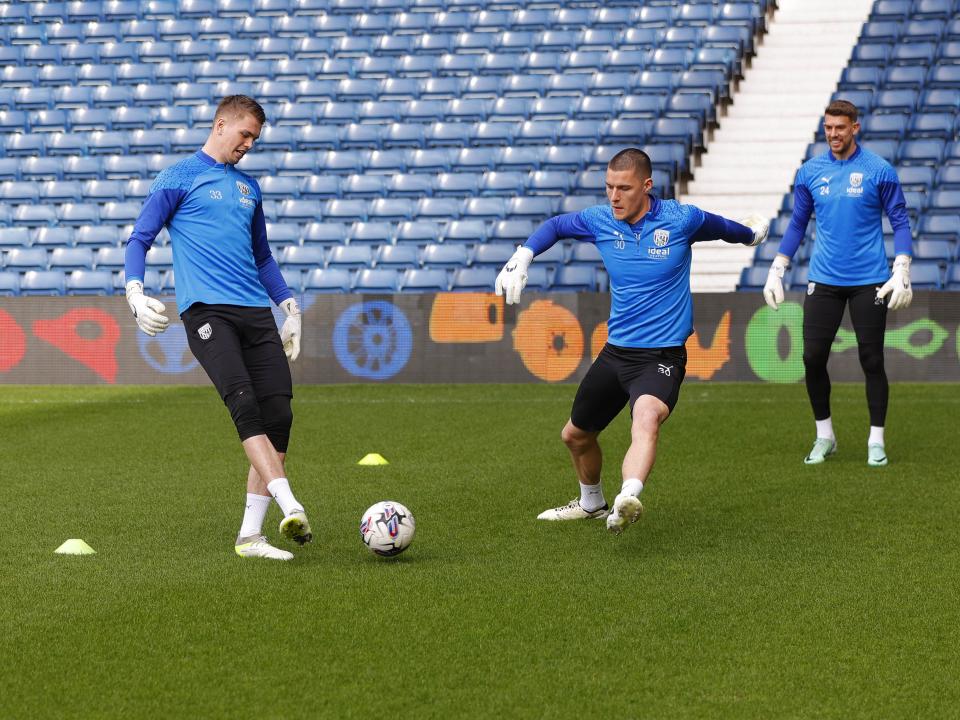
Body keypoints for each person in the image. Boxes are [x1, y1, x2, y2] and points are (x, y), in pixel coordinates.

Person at [495, 148, 769, 534]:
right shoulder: (600, 220)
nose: (614, 196)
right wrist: (523, 256)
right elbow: (556, 226)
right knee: (575, 436)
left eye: (623, 188)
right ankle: (591, 503)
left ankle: (628, 496)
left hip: (662, 355)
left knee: (646, 418)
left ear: (646, 185)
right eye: (608, 187)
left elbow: (725, 228)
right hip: (616, 352)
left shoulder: (680, 219)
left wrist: (751, 234)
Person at [124, 95, 312, 561]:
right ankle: (290, 504)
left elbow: (262, 257)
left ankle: (251, 537)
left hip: (256, 313)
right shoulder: (179, 177)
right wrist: (134, 290)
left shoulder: (250, 189)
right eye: (244, 134)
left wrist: (289, 305)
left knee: (280, 417)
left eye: (255, 138)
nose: (248, 144)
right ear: (220, 124)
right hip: (208, 313)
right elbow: (140, 238)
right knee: (243, 403)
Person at [762, 99, 913, 467]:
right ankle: (824, 435)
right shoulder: (810, 172)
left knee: (871, 359)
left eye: (840, 128)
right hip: (824, 279)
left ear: (855, 128)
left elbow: (901, 220)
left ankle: (876, 441)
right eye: (828, 128)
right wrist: (778, 266)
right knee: (812, 358)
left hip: (871, 281)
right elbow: (798, 222)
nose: (833, 134)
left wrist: (903, 266)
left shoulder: (879, 170)